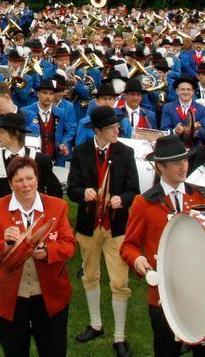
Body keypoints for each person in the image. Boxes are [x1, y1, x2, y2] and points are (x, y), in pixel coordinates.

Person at [121, 135, 205, 356]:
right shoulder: (145, 202)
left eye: (185, 160)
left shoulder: (203, 196)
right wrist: (138, 260)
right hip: (164, 295)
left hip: (201, 291)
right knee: (166, 348)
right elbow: (129, 246)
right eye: (176, 162)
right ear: (160, 167)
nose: (183, 166)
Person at [0, 151, 77, 356]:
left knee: (53, 351)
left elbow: (69, 244)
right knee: (15, 351)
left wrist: (49, 251)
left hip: (49, 295)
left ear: (37, 179)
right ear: (11, 184)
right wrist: (4, 244)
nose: (26, 185)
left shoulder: (57, 207)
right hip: (9, 297)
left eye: (30, 178)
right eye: (19, 180)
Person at [66, 105, 140, 356]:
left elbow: (134, 190)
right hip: (89, 225)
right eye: (111, 127)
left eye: (117, 126)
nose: (117, 130)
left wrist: (122, 199)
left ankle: (120, 336)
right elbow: (72, 188)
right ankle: (96, 324)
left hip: (116, 226)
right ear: (97, 130)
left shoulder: (125, 152)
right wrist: (82, 193)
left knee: (120, 280)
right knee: (90, 275)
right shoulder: (81, 152)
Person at [160, 76, 205, 148]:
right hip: (173, 147)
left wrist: (195, 130)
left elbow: (204, 133)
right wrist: (175, 131)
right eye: (182, 89)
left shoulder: (201, 109)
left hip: (194, 149)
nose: (185, 92)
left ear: (193, 91)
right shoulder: (168, 107)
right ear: (177, 91)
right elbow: (164, 130)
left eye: (188, 89)